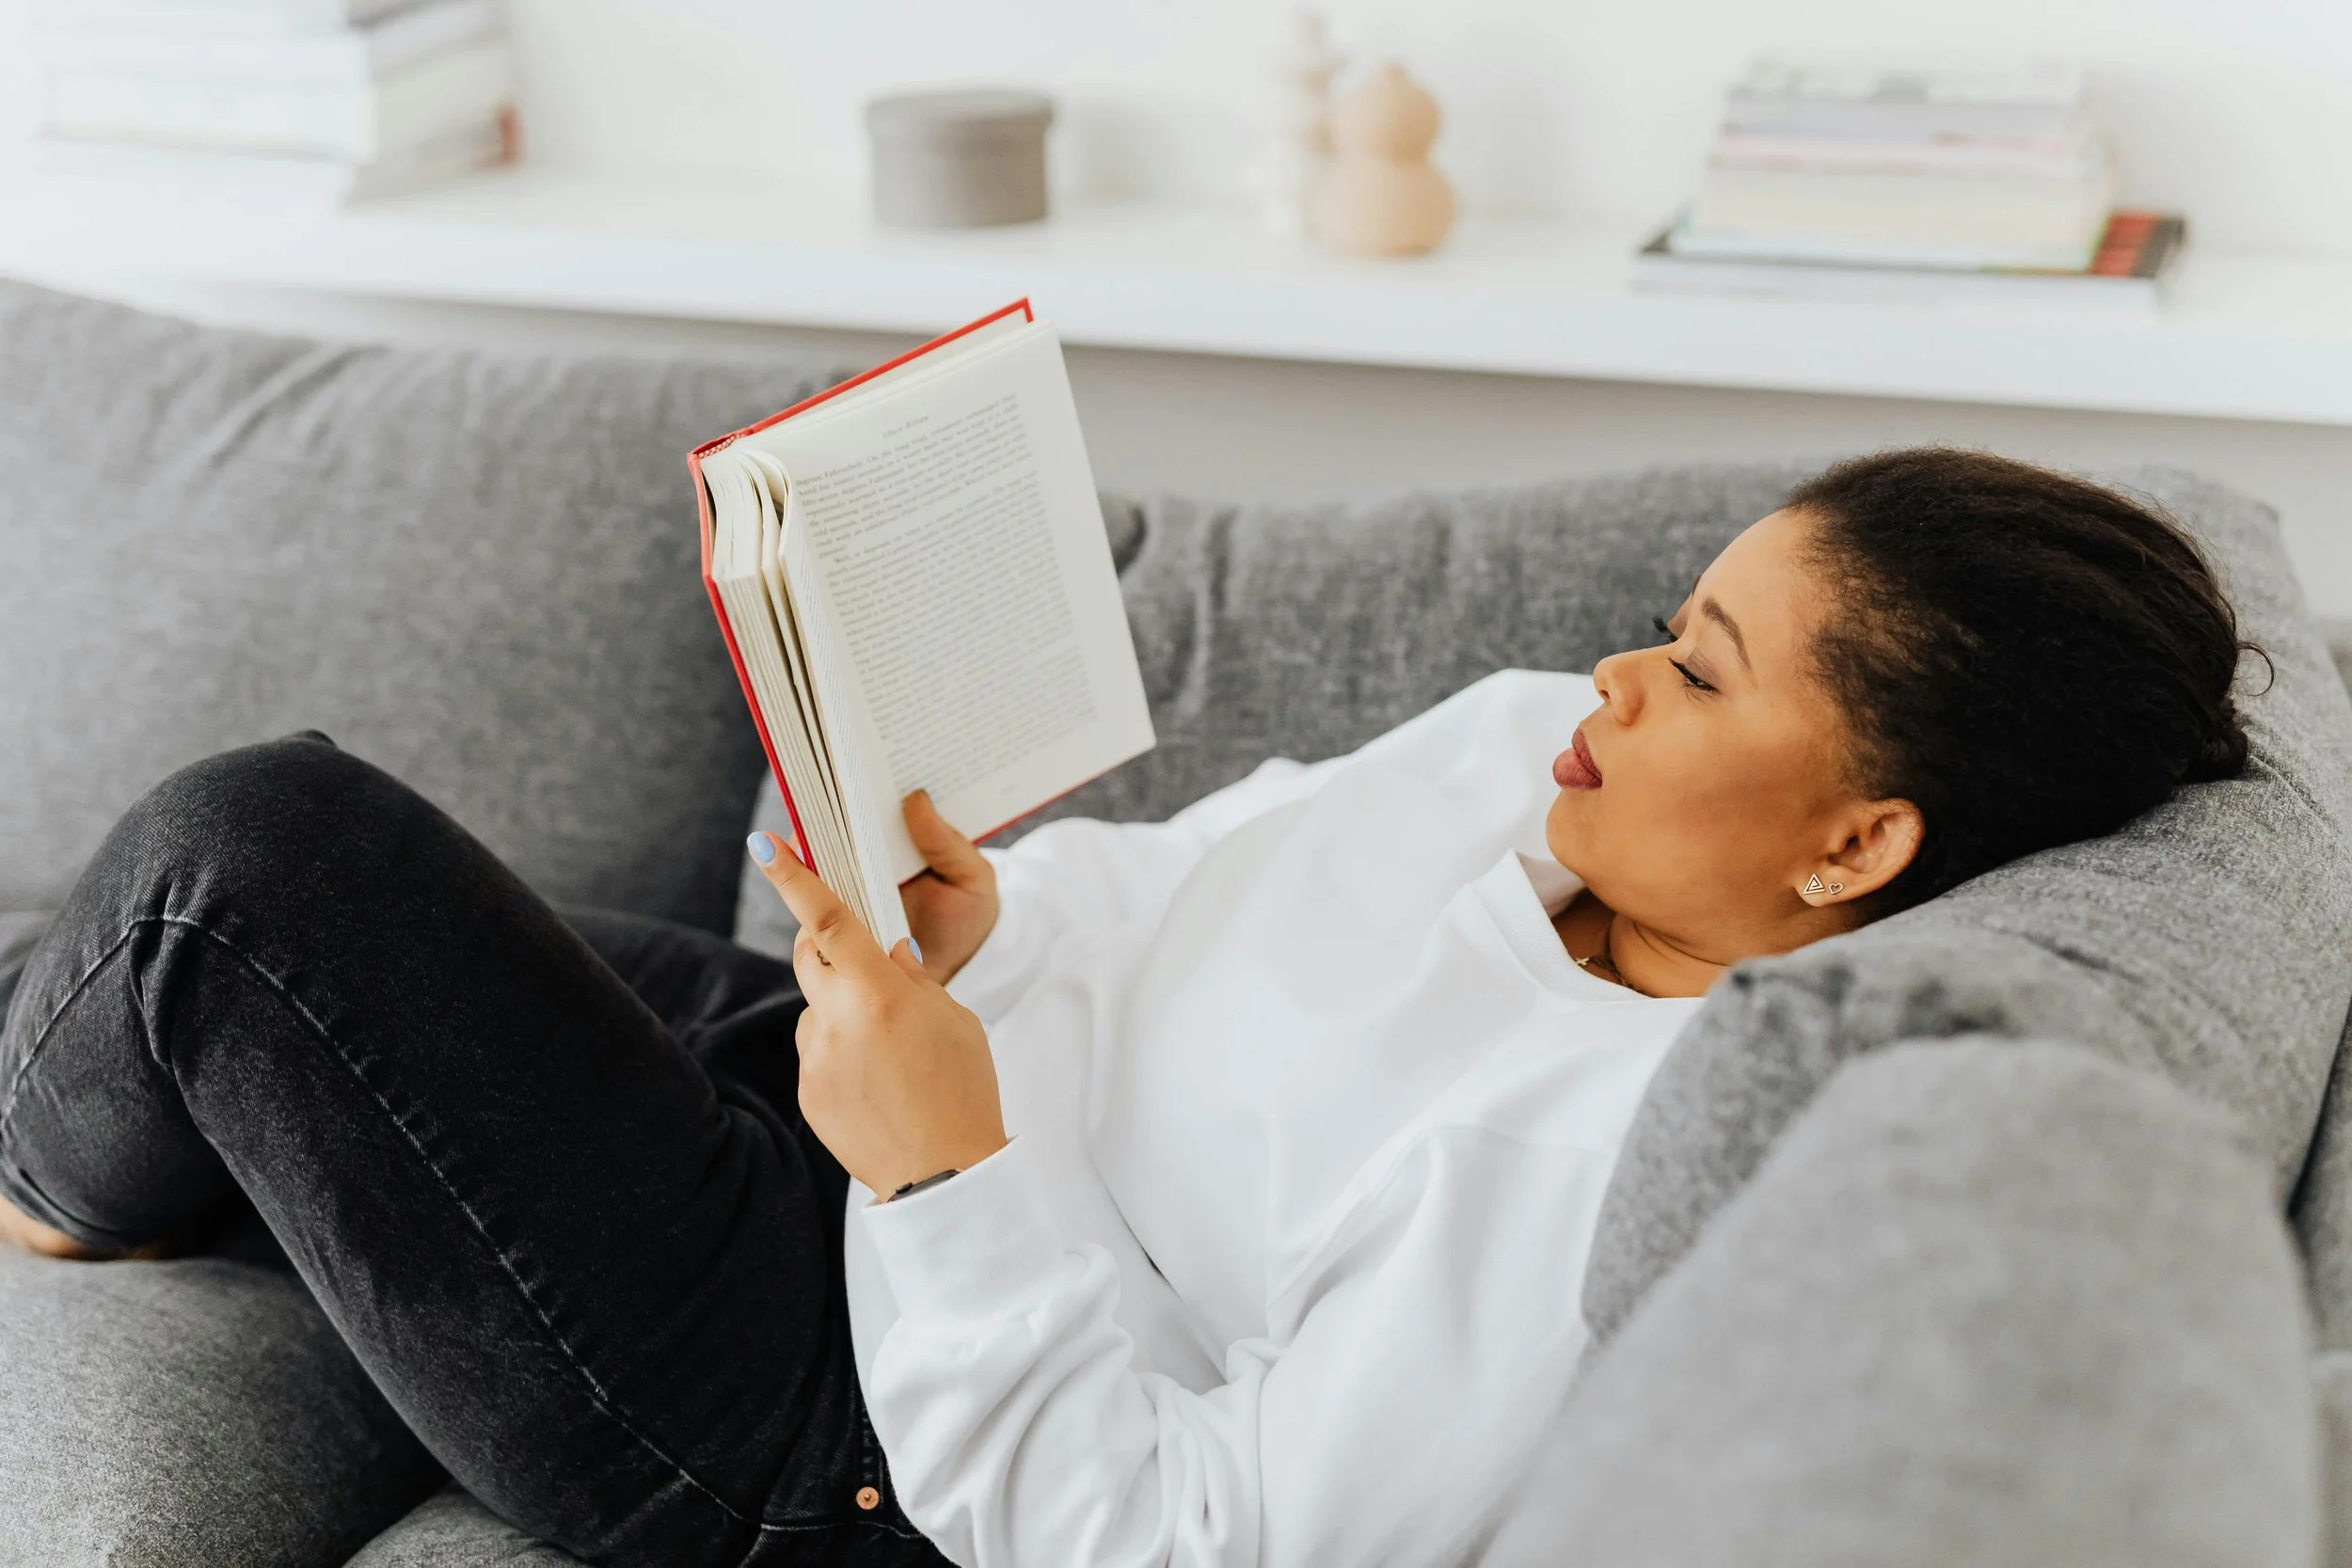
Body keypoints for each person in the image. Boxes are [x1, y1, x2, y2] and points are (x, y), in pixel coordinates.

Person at [0, 450, 2255, 1568]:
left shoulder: (1605, 1168)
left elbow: (1167, 1534)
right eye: (1669, 620)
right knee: (392, 927)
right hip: (840, 1134)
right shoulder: (1511, 762)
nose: (1611, 679)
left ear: (1854, 847)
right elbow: (1155, 891)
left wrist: (943, 1162)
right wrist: (982, 938)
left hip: (842, 1418)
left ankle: (44, 1179)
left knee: (256, 861)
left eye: (1696, 675)